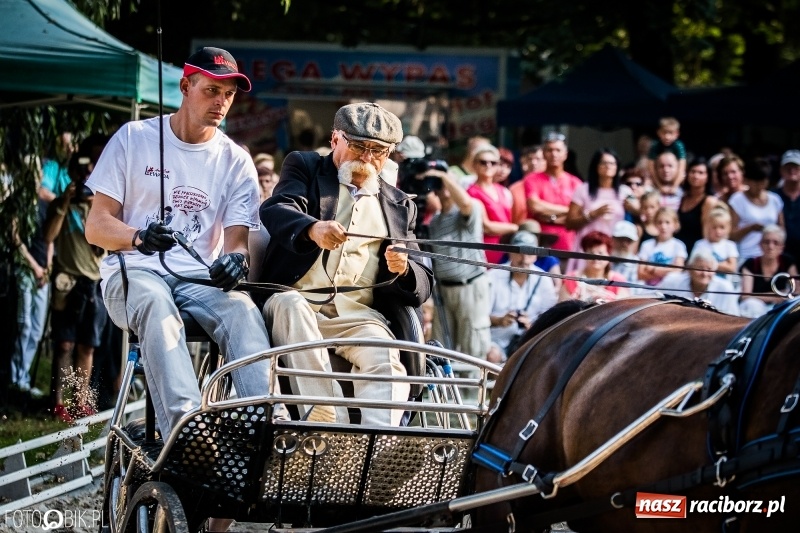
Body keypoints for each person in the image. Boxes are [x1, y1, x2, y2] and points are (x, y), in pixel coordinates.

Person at [85, 46, 275, 439]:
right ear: (186, 86)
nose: (222, 102)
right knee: (157, 304)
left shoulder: (236, 160)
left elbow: (237, 243)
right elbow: (96, 226)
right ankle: (189, 433)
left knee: (242, 310)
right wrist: (136, 236)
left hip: (197, 278)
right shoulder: (134, 138)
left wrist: (235, 263)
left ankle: (266, 432)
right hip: (134, 272)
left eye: (229, 94)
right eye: (212, 90)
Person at [258, 102, 433, 427]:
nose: (367, 158)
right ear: (335, 139)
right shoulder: (305, 167)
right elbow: (277, 208)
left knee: (385, 361)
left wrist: (403, 268)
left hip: (358, 316)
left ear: (390, 153)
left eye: (378, 151)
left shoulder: (398, 204)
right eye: (358, 147)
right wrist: (312, 229)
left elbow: (424, 281)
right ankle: (325, 419)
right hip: (297, 304)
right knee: (291, 303)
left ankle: (378, 452)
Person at [44, 137, 109, 422]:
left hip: (94, 282)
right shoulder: (63, 204)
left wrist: (93, 203)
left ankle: (79, 401)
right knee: (64, 345)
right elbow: (48, 236)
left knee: (87, 345)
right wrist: (67, 200)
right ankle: (57, 402)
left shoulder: (101, 207)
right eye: (81, 171)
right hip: (67, 281)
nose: (86, 175)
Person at [427, 168, 491, 359]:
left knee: (472, 346)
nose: (445, 186)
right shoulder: (435, 221)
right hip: (444, 289)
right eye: (441, 184)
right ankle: (446, 389)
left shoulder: (471, 208)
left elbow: (465, 204)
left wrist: (443, 175)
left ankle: (471, 390)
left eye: (450, 182)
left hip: (470, 285)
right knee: (442, 349)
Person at [10, 166, 52, 398]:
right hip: (26, 269)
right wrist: (34, 267)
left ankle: (24, 378)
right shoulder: (18, 205)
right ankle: (16, 378)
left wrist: (46, 267)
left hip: (42, 271)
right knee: (24, 324)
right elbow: (14, 237)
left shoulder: (45, 205)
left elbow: (50, 238)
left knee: (36, 329)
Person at [487, 230, 557, 364]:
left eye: (529, 253)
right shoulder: (493, 276)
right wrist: (500, 321)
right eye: (519, 252)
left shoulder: (543, 279)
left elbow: (551, 318)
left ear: (536, 256)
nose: (524, 259)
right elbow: (480, 316)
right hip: (497, 341)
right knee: (492, 356)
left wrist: (531, 325)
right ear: (510, 253)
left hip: (529, 342)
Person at [565, 148, 626, 272]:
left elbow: (639, 212)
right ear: (596, 166)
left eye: (612, 163)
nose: (608, 166)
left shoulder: (624, 192)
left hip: (614, 247)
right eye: (604, 163)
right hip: (588, 246)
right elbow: (569, 222)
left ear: (617, 168)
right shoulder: (584, 190)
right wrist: (593, 214)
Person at [523, 132, 582, 254]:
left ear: (565, 154)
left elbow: (580, 214)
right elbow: (535, 206)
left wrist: (549, 217)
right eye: (549, 150)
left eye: (558, 150)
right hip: (538, 246)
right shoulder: (532, 179)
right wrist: (568, 210)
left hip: (568, 245)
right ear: (543, 153)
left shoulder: (575, 182)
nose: (554, 154)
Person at [466, 144, 517, 264]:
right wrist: (515, 228)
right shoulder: (471, 192)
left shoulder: (502, 190)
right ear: (474, 165)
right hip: (486, 250)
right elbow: (486, 226)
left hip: (507, 247)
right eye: (483, 162)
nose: (488, 165)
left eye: (493, 162)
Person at [728, 157, 784, 263]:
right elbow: (731, 234)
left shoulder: (775, 200)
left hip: (771, 258)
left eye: (762, 181)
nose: (759, 185)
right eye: (755, 182)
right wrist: (751, 228)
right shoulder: (737, 200)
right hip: (745, 257)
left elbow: (782, 230)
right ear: (747, 180)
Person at [739, 225, 798, 317]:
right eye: (767, 242)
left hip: (781, 307)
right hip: (756, 309)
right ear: (760, 244)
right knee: (751, 304)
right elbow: (745, 296)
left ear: (782, 247)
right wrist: (774, 295)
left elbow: (797, 291)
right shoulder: (750, 264)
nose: (770, 246)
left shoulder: (788, 262)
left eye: (775, 243)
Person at [657, 249, 739, 316]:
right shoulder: (672, 282)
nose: (705, 274)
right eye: (700, 269)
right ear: (689, 269)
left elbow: (733, 318)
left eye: (709, 269)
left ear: (714, 272)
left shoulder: (725, 288)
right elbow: (657, 305)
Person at [560, 231, 630, 303]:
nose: (596, 258)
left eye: (600, 253)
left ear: (609, 255)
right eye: (591, 253)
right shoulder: (571, 279)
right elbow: (562, 310)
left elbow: (625, 309)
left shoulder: (618, 281)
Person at [675, 158, 718, 255]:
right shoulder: (683, 198)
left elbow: (706, 234)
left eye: (701, 173)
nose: (696, 176)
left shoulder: (709, 201)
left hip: (696, 252)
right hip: (679, 250)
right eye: (693, 172)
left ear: (708, 177)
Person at [637, 207, 688, 286]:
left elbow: (678, 271)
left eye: (667, 222)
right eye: (660, 222)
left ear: (675, 225)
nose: (663, 226)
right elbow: (640, 274)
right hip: (647, 289)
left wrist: (653, 269)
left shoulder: (679, 245)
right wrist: (668, 270)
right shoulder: (646, 245)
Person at [692, 206, 739, 280]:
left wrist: (708, 265)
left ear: (728, 228)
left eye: (722, 227)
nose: (718, 231)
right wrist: (722, 265)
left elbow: (732, 268)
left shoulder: (730, 246)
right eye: (714, 227)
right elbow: (693, 265)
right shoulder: (700, 244)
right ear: (708, 227)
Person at [773, 149, 800, 262]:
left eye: (796, 167)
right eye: (788, 167)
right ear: (781, 170)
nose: (791, 170)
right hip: (779, 255)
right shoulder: (772, 196)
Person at [646, 117, 686, 186]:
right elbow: (651, 168)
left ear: (677, 134)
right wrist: (659, 186)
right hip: (658, 179)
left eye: (670, 133)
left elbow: (682, 167)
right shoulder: (655, 145)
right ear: (658, 132)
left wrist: (674, 186)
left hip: (675, 179)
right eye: (664, 132)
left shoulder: (678, 145)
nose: (667, 136)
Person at [510, 145, 545, 224]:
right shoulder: (514, 189)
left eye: (538, 159)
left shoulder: (552, 186)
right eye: (530, 159)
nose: (534, 163)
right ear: (523, 162)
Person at [39, 131, 77, 203]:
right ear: (58, 148)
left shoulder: (86, 166)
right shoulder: (53, 167)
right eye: (66, 146)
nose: (71, 149)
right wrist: (64, 204)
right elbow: (43, 192)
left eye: (72, 144)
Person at [610, 220, 641, 290]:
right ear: (613, 239)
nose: (624, 244)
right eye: (620, 239)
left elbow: (633, 288)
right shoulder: (603, 258)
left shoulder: (634, 262)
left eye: (628, 241)